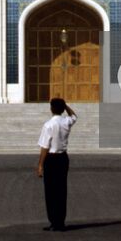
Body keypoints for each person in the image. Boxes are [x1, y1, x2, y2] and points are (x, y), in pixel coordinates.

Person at [36, 97, 77, 231]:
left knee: (51, 191)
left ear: (51, 109)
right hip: (63, 158)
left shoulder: (48, 125)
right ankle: (60, 222)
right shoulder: (66, 122)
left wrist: (40, 165)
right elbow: (74, 116)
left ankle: (54, 221)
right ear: (62, 109)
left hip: (51, 160)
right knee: (61, 190)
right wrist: (66, 106)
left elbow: (45, 147)